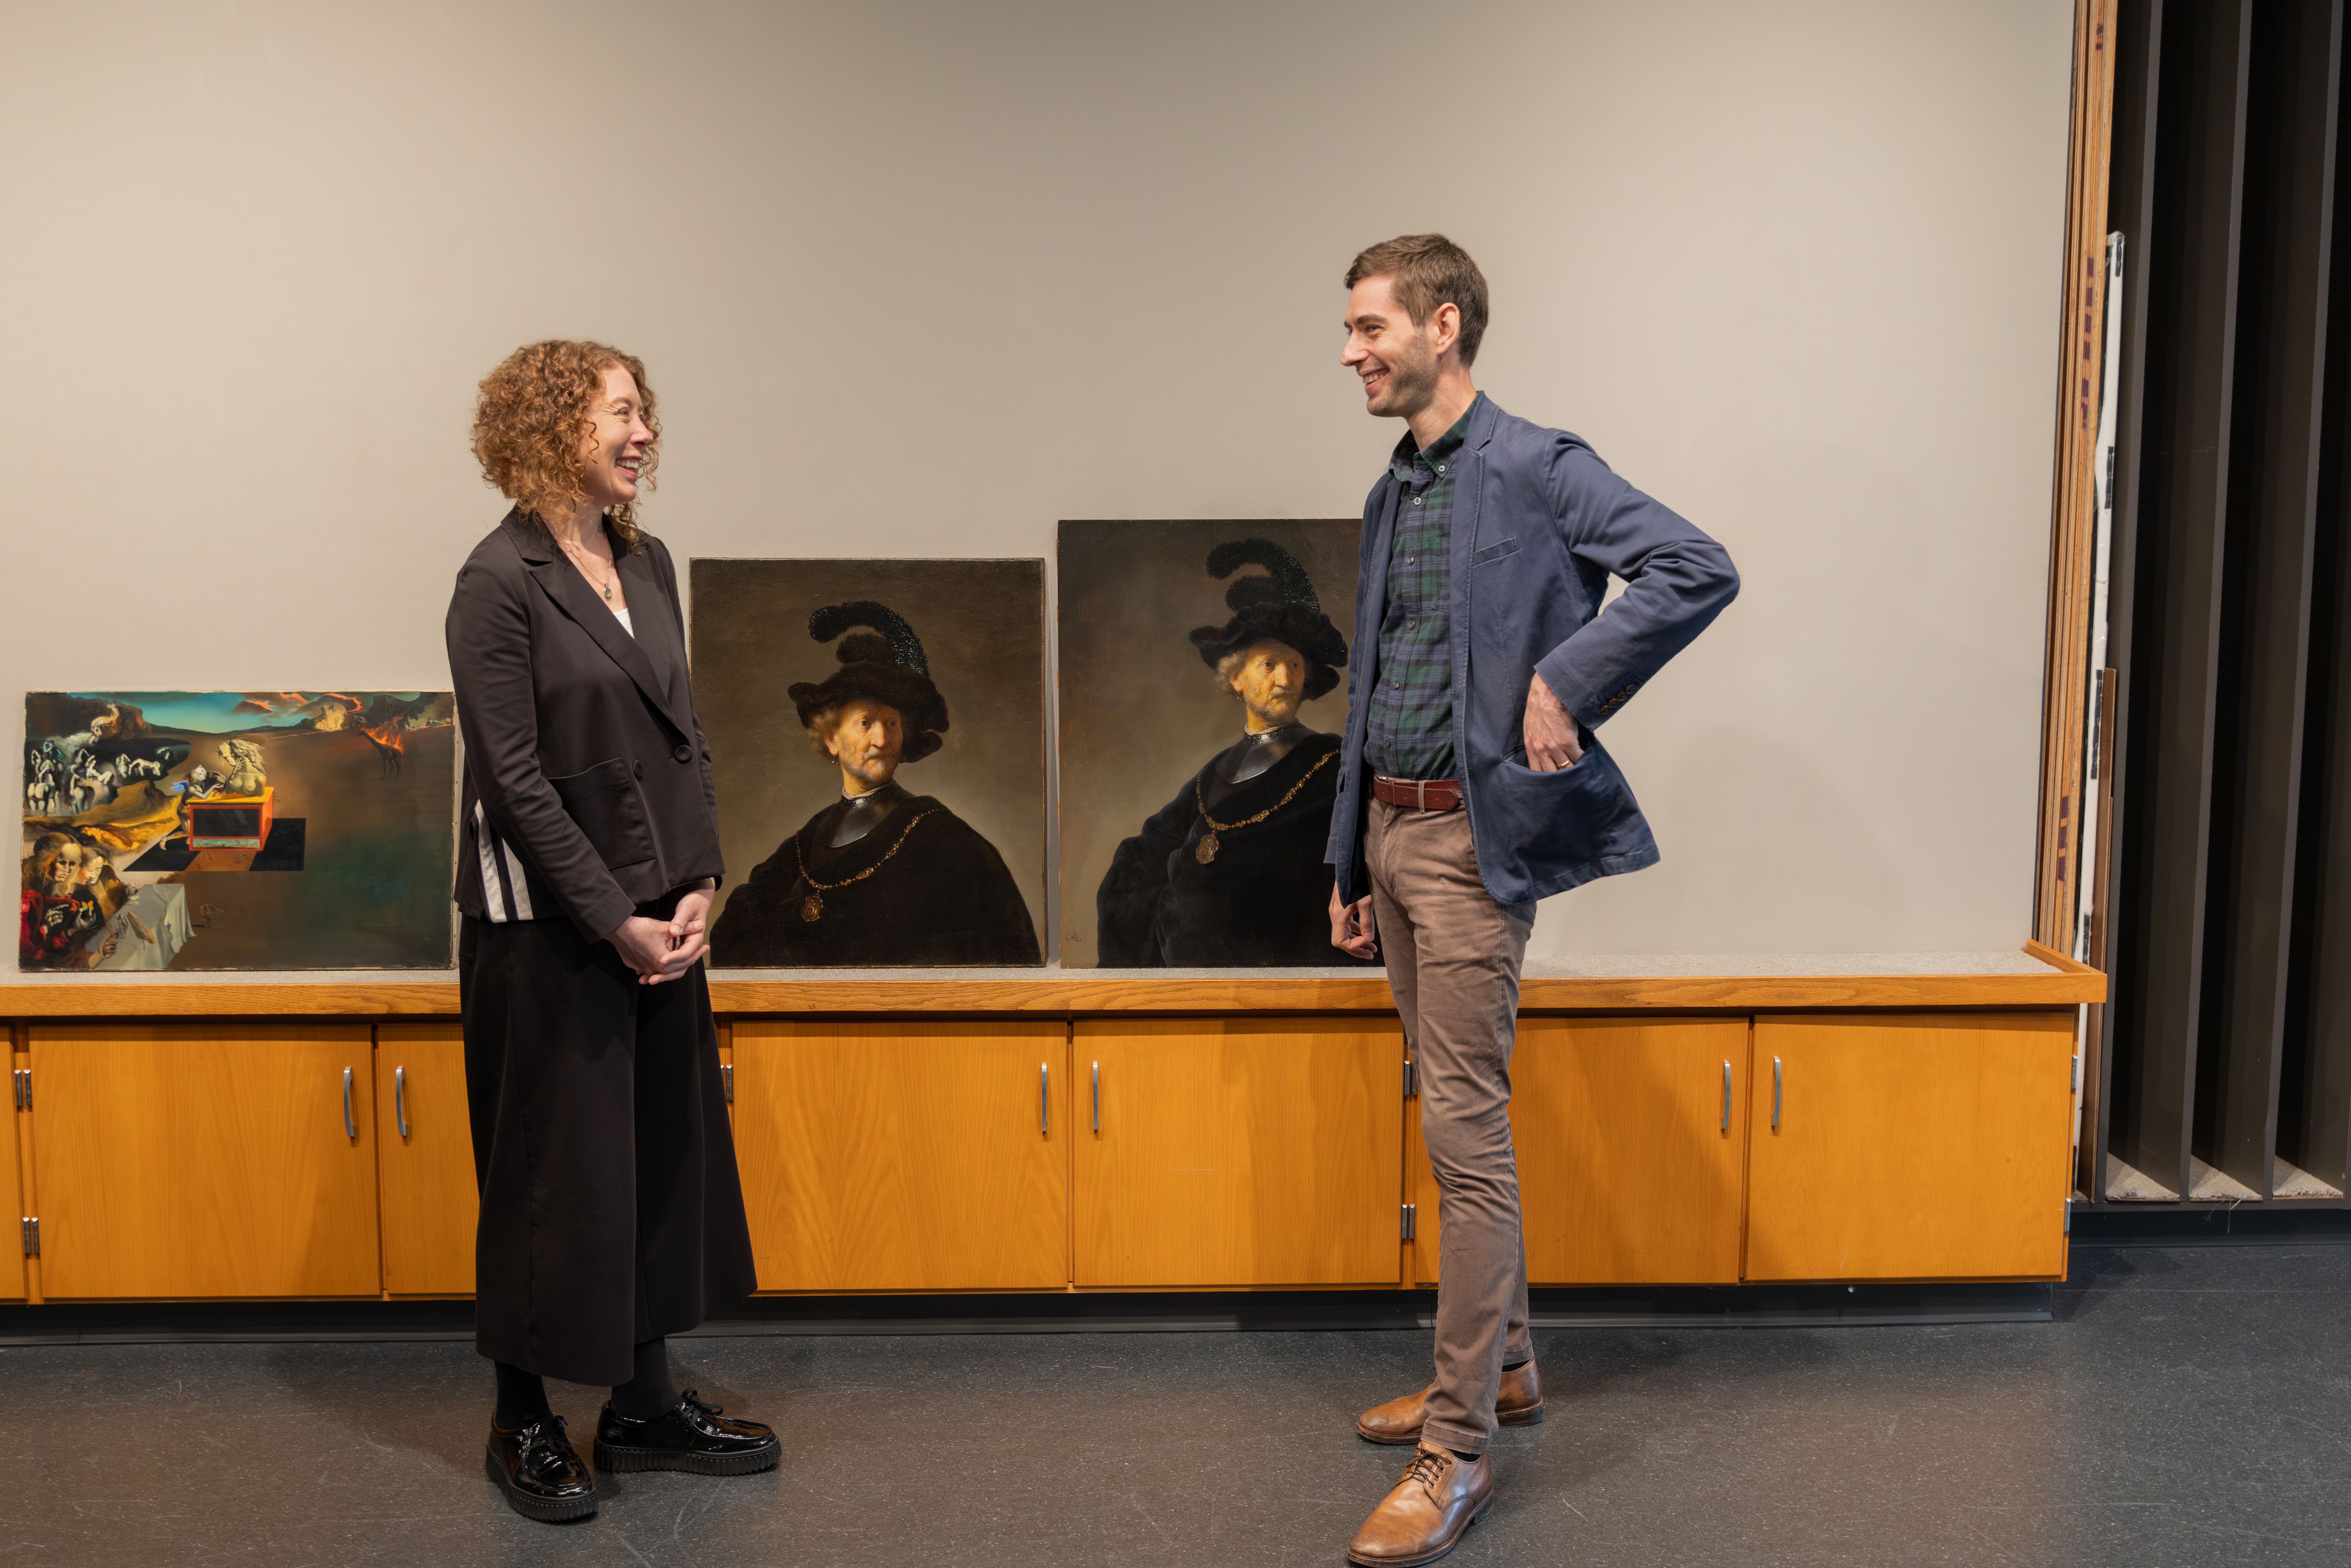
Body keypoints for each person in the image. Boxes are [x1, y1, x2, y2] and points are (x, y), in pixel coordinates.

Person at [1324, 236, 1739, 1566]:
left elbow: (1693, 564)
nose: (1350, 352)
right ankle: (1504, 1370)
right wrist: (1348, 856)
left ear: (1445, 324)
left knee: (1466, 1140)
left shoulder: (1538, 462)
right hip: (1392, 838)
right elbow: (1373, 677)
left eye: (1369, 327)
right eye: (1347, 331)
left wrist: (1570, 677)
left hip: (1467, 852)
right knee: (1452, 1122)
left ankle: (1457, 1453)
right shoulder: (1395, 487)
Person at [447, 339, 774, 1525]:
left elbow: (684, 735)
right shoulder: (498, 580)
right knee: (546, 1179)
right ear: (549, 430)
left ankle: (640, 1398)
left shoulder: (651, 562)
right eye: (620, 415)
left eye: (644, 414)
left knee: (650, 1164)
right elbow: (514, 782)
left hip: (660, 925)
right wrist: (614, 918)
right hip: (548, 934)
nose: (642, 434)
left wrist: (699, 883)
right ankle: (520, 1416)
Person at [711, 601, 1041, 966]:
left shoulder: (947, 839)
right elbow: (732, 934)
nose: (882, 740)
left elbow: (1006, 955)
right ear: (831, 739)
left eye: (893, 724)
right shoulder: (805, 842)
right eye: (866, 723)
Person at [1095, 538, 1372, 967]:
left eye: (1296, 666)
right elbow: (1142, 856)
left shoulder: (1331, 763)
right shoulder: (1213, 774)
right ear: (1236, 678)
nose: (1285, 679)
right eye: (1269, 665)